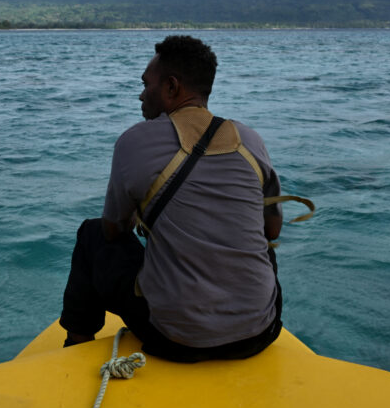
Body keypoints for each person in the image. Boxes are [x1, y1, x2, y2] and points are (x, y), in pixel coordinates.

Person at [59, 35, 284, 362]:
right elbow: (272, 231)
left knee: (91, 234)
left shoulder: (134, 141)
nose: (141, 94)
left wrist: (141, 214)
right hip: (259, 333)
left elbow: (112, 233)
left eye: (145, 84)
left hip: (174, 340)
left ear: (171, 87)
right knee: (262, 249)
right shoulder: (250, 140)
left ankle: (75, 350)